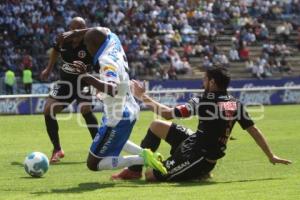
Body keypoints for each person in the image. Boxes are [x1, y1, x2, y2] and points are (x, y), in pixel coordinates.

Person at [112, 67, 292, 181]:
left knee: (151, 176)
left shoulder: (204, 101)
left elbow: (168, 114)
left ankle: (199, 172)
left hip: (199, 157)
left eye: (205, 79)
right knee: (156, 126)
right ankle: (134, 170)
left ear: (212, 82)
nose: (202, 82)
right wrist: (271, 155)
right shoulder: (235, 103)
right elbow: (254, 130)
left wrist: (142, 96)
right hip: (195, 140)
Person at [71, 27, 167, 175]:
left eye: (87, 45)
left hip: (117, 117)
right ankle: (145, 154)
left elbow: (112, 88)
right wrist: (77, 33)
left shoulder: (106, 61)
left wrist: (86, 76)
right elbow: (104, 30)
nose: (87, 49)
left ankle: (143, 159)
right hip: (129, 108)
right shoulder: (113, 39)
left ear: (94, 45)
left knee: (93, 163)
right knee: (116, 140)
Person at [40, 17, 99, 163]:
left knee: (85, 108)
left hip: (84, 82)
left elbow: (102, 33)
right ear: (69, 28)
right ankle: (57, 149)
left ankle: (98, 147)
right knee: (48, 109)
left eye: (80, 28)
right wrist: (48, 68)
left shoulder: (90, 41)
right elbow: (55, 51)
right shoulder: (63, 39)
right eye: (73, 28)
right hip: (65, 83)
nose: (76, 31)